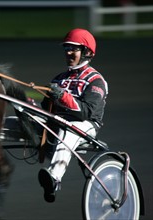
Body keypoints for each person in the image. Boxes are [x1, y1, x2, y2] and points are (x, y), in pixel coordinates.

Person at [38, 28, 108, 203]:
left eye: (74, 49)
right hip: (57, 122)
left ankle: (54, 178)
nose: (68, 52)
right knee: (22, 116)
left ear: (87, 52)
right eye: (66, 48)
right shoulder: (59, 78)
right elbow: (48, 109)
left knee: (70, 128)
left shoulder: (95, 80)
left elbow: (86, 112)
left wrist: (62, 96)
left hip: (86, 125)